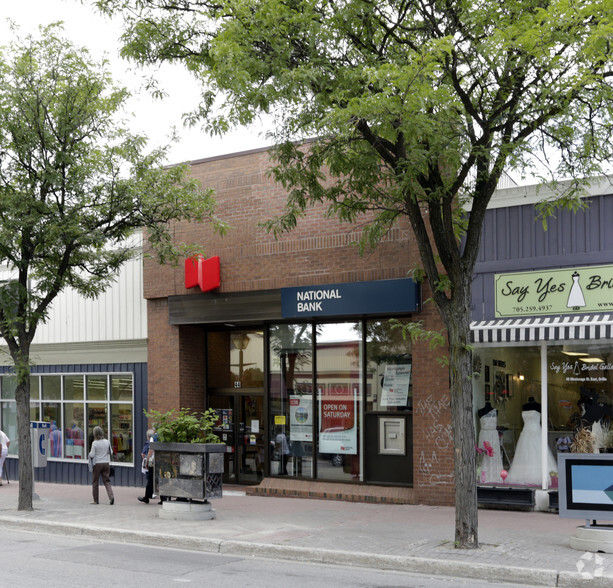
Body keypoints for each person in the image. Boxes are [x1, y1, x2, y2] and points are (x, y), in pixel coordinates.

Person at [506, 397, 557, 486]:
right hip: (526, 432)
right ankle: (523, 476)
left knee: (536, 453)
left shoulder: (538, 406)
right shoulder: (524, 406)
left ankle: (537, 476)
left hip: (535, 432)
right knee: (525, 454)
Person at [476, 403, 503, 483]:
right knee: (484, 456)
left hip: (493, 436)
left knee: (493, 455)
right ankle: (484, 476)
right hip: (484, 435)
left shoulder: (496, 411)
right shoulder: (480, 411)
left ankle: (495, 475)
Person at [88, 426, 114, 505]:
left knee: (95, 482)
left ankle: (96, 500)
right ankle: (111, 497)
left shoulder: (95, 443)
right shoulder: (107, 441)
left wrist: (89, 454)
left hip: (97, 464)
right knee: (107, 481)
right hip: (106, 463)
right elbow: (111, 452)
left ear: (95, 434)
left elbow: (92, 454)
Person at [138, 428, 155, 504]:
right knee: (155, 479)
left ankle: (147, 497)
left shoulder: (151, 440)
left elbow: (148, 451)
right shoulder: (158, 438)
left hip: (152, 461)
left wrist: (147, 461)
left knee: (150, 479)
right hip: (158, 461)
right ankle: (162, 498)